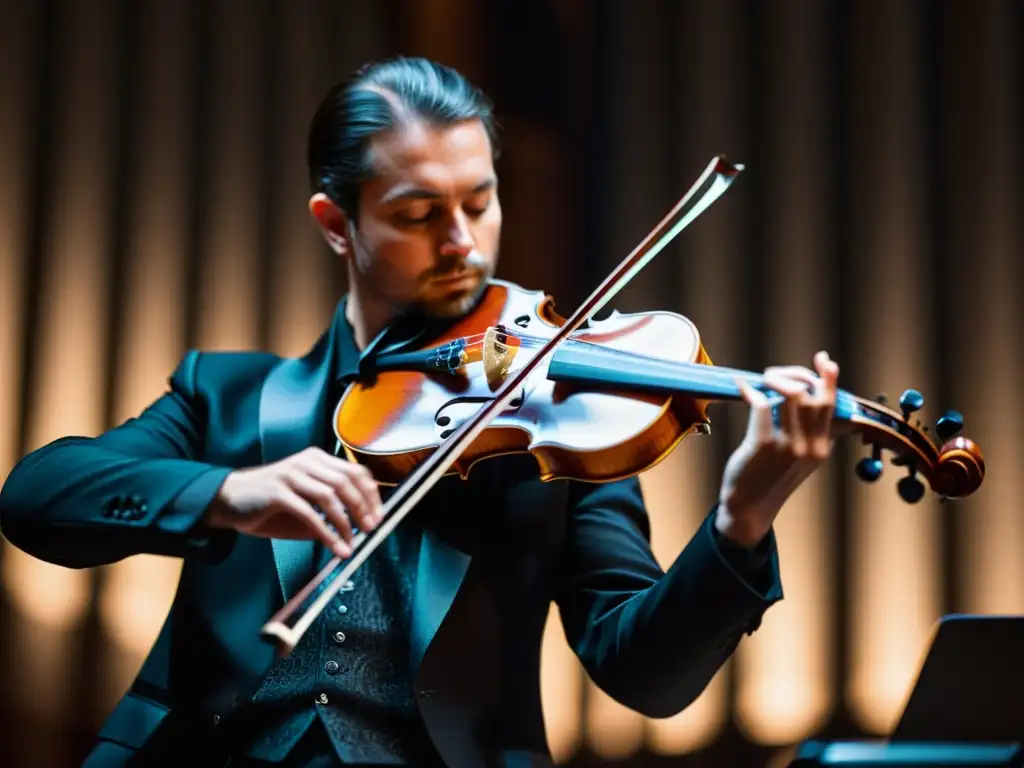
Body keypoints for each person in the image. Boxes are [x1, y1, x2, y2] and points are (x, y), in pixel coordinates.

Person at [0, 56, 840, 768]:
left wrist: (742, 518)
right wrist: (228, 494)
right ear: (338, 225)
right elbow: (38, 496)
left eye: (479, 202)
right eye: (418, 215)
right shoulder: (226, 393)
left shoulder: (556, 424)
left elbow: (647, 677)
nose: (464, 245)